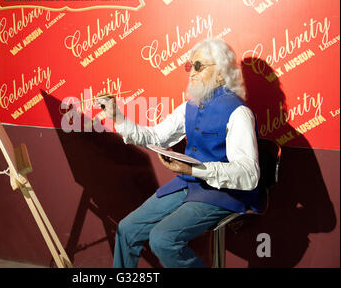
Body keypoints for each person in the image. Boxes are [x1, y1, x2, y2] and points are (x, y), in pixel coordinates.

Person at [97, 38, 261, 268]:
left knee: (163, 239)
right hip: (187, 184)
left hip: (222, 193)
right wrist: (117, 116)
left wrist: (194, 169)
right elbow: (156, 137)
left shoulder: (239, 113)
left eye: (198, 66)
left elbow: (248, 174)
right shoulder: (189, 106)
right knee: (127, 229)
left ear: (222, 75)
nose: (190, 73)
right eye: (189, 66)